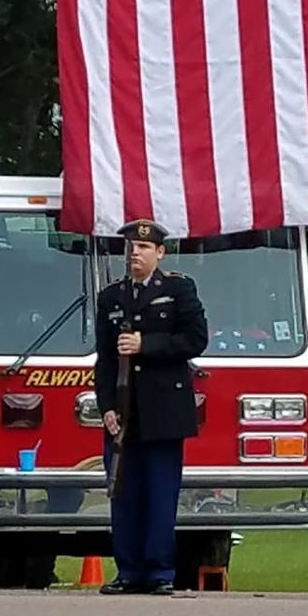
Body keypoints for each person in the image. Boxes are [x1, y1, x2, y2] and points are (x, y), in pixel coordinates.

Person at [94, 218, 208, 595]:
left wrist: (148, 344)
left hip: (163, 409)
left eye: (143, 247)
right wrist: (106, 405)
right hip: (124, 411)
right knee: (123, 493)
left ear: (160, 252)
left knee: (161, 495)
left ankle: (160, 571)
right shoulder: (111, 296)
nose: (135, 253)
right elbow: (106, 359)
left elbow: (195, 339)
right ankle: (128, 570)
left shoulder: (177, 289)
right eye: (130, 247)